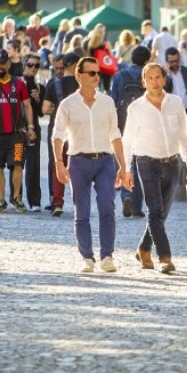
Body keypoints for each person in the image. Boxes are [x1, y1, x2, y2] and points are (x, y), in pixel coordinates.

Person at [51, 56, 130, 273]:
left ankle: (107, 256)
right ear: (79, 75)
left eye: (98, 73)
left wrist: (123, 166)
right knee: (82, 212)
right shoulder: (67, 105)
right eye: (92, 73)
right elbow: (57, 135)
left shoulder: (107, 102)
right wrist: (59, 163)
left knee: (107, 208)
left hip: (105, 161)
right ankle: (87, 257)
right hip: (78, 162)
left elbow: (115, 134)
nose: (97, 77)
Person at [122, 63, 187, 274]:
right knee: (154, 211)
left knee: (161, 214)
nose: (155, 82)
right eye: (150, 78)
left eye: (158, 77)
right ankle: (165, 257)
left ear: (164, 80)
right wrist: (126, 169)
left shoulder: (175, 102)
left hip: (172, 163)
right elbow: (128, 140)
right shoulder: (136, 108)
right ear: (143, 82)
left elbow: (184, 135)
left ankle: (144, 248)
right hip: (146, 162)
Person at [0, 49, 36, 212]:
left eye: (2, 63)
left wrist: (30, 126)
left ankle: (16, 197)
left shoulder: (19, 84)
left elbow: (27, 105)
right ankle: (2, 200)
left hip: (16, 135)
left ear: (8, 64)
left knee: (18, 165)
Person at [110, 45, 150, 218]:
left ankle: (126, 195)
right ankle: (136, 205)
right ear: (147, 60)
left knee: (123, 160)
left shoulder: (120, 75)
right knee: (139, 162)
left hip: (122, 122)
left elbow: (113, 101)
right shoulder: (148, 75)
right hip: (143, 122)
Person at [43, 53, 79, 216]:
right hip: (78, 129)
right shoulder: (82, 83)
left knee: (58, 164)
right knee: (79, 166)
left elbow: (44, 109)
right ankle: (79, 202)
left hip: (58, 129)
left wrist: (56, 109)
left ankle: (57, 202)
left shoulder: (54, 84)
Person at [21, 52, 45, 211]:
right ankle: (15, 198)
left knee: (33, 165)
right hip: (17, 131)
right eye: (30, 65)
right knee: (16, 163)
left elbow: (42, 112)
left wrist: (38, 99)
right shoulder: (17, 83)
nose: (33, 68)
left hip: (34, 131)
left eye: (36, 65)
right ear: (24, 65)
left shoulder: (39, 87)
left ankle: (34, 201)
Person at [163, 47, 187, 125]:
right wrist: (167, 75)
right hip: (171, 111)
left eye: (176, 61)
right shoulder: (163, 73)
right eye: (171, 61)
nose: (174, 63)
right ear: (167, 61)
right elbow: (164, 90)